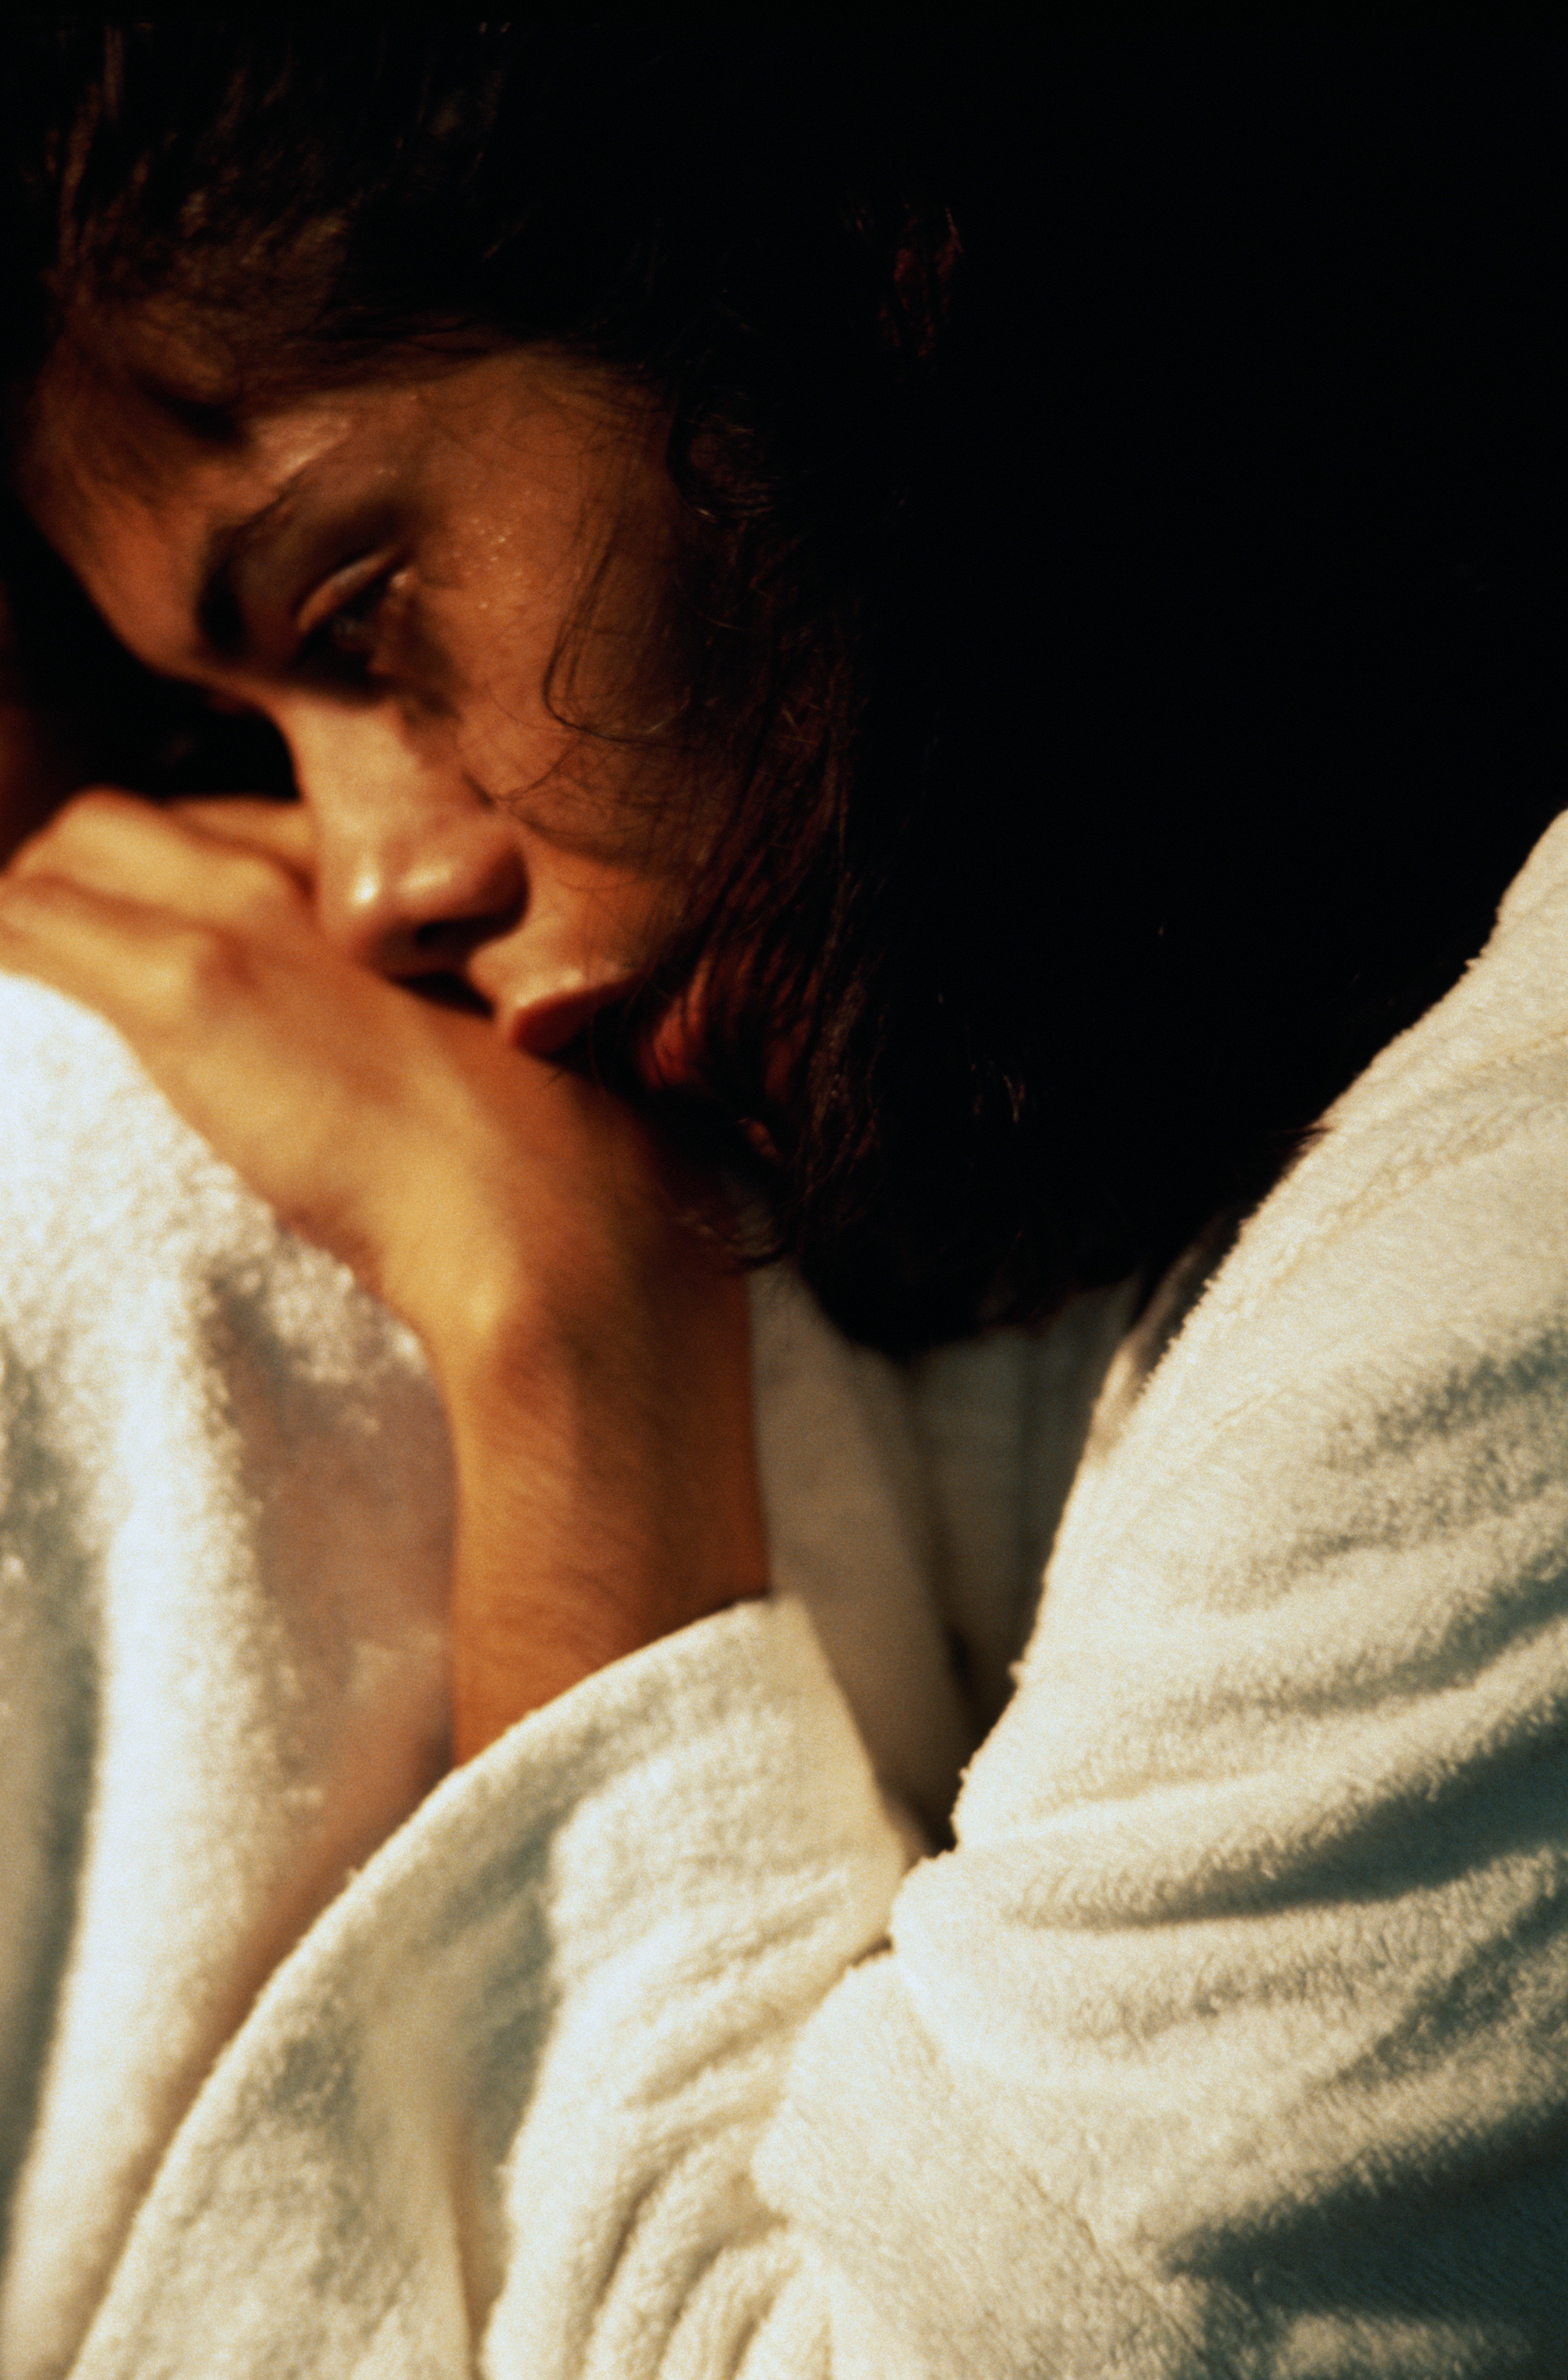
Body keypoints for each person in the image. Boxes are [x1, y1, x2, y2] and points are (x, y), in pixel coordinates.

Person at [0, 21, 1566, 2376]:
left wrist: (572, 1353)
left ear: (841, 272)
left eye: (362, 617)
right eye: (267, 739)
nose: (367, 884)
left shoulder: (1510, 1249)